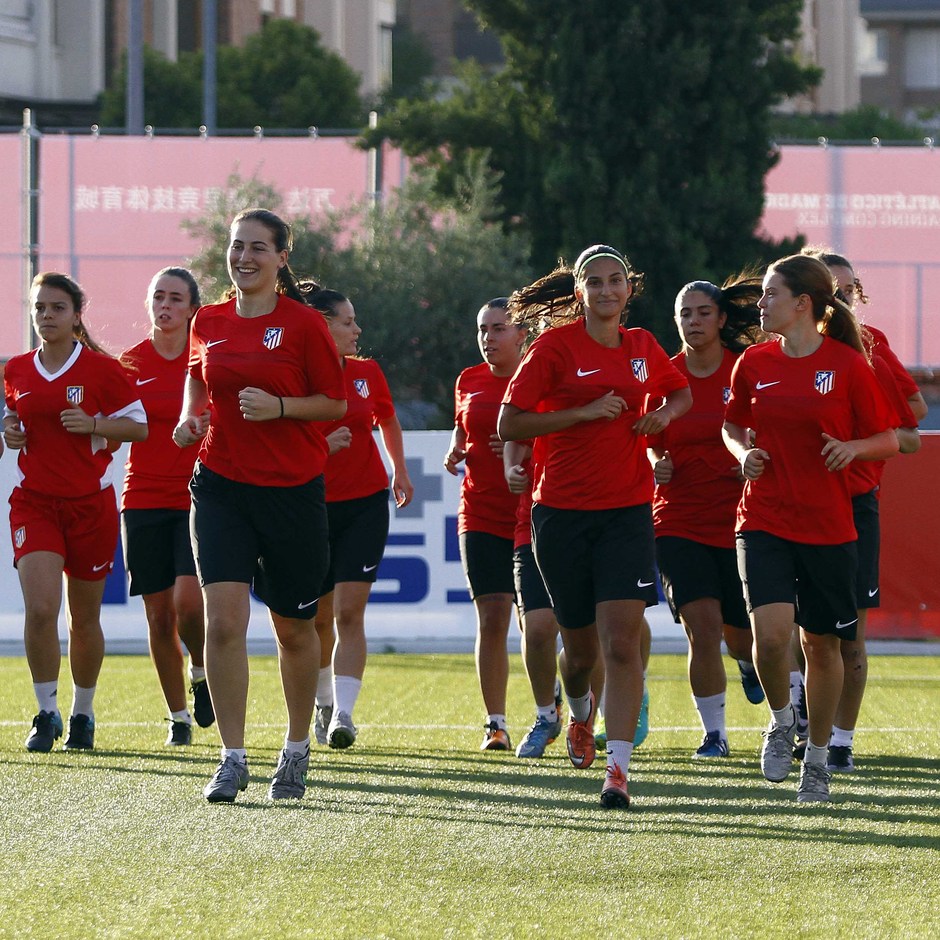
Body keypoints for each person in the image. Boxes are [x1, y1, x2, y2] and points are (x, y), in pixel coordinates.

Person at [498, 245, 691, 808]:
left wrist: (662, 414)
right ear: (579, 292)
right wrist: (581, 414)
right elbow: (510, 422)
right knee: (580, 652)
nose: (606, 290)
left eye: (615, 280)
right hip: (560, 514)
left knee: (622, 644)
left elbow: (680, 391)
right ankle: (579, 711)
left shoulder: (643, 346)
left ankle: (618, 771)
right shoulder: (554, 348)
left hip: (627, 512)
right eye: (595, 282)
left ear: (629, 289)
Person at [173, 208, 346, 803]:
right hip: (220, 486)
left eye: (257, 248)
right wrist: (190, 417)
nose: (244, 257)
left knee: (294, 629)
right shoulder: (209, 320)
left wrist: (281, 408)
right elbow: (197, 375)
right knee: (223, 622)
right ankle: (232, 758)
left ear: (281, 258)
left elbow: (334, 404)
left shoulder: (304, 325)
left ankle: (295, 751)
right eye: (237, 246)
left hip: (292, 492)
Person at [722, 254, 898, 803]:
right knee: (772, 639)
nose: (761, 303)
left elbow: (889, 438)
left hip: (829, 526)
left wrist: (853, 449)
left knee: (822, 647)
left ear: (802, 304)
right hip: (763, 518)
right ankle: (781, 721)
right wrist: (743, 452)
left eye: (771, 293)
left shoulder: (848, 365)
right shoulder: (753, 362)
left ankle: (817, 760)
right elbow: (732, 424)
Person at [3, 272, 148, 752]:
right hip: (35, 503)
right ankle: (46, 712)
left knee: (83, 619)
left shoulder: (102, 370)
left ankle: (82, 713)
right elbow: (14, 416)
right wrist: (11, 429)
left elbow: (139, 427)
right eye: (39, 307)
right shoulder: (17, 369)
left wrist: (95, 423)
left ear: (76, 314)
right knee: (42, 609)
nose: (47, 316)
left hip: (90, 506)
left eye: (57, 308)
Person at [794, 248, 921, 773]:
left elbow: (909, 425)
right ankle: (797, 719)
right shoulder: (777, 350)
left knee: (849, 639)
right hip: (791, 507)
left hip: (852, 507)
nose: (838, 299)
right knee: (787, 633)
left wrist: (864, 443)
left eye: (846, 290)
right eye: (830, 289)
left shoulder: (871, 348)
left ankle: (839, 740)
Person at [648, 277, 765, 759]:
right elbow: (647, 437)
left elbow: (773, 426)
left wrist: (752, 456)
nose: (693, 321)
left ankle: (749, 663)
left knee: (741, 636)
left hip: (741, 519)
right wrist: (656, 460)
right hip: (677, 519)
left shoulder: (747, 369)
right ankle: (715, 735)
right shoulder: (663, 375)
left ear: (721, 319)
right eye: (685, 313)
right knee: (703, 626)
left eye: (702, 312)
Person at [307, 288, 414, 749]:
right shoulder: (293, 377)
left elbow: (387, 419)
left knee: (349, 613)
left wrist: (399, 470)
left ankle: (343, 716)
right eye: (347, 322)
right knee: (316, 619)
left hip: (366, 504)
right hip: (308, 505)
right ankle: (324, 701)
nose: (358, 329)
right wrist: (320, 448)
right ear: (322, 326)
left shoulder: (368, 372)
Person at [121, 267, 214, 747]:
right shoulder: (129, 364)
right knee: (158, 616)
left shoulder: (208, 360)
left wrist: (206, 425)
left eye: (176, 298)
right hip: (142, 498)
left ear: (192, 308)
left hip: (196, 496)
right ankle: (178, 717)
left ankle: (201, 670)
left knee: (188, 603)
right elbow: (111, 424)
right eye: (159, 296)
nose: (166, 305)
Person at [444, 298, 525, 751]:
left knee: (540, 624)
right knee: (492, 617)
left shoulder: (538, 375)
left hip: (532, 512)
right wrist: (455, 448)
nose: (487, 338)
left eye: (498, 328)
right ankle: (496, 724)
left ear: (522, 334)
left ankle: (551, 702)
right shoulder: (468, 379)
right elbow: (462, 427)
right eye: (482, 329)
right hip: (478, 511)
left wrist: (523, 447)